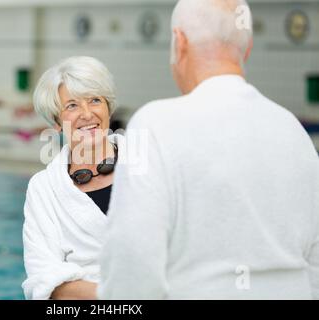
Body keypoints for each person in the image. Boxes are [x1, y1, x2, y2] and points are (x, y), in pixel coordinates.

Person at [98, 0, 319, 299]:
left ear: (179, 42)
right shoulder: (294, 132)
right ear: (248, 48)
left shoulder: (155, 125)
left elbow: (133, 263)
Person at [22, 56, 125, 300]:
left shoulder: (149, 164)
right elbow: (43, 279)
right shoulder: (44, 189)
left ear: (108, 108)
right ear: (56, 122)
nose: (87, 114)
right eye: (72, 106)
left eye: (95, 100)